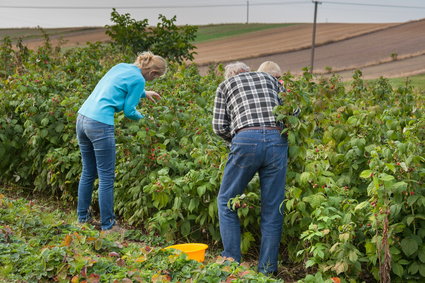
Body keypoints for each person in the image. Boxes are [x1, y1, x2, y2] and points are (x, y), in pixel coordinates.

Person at [76, 51, 167, 231]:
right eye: (155, 78)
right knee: (106, 176)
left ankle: (82, 218)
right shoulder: (139, 80)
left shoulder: (121, 67)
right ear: (153, 73)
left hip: (82, 118)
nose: (152, 81)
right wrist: (147, 119)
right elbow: (129, 111)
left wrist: (143, 93)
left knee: (88, 171)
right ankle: (108, 225)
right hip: (100, 123)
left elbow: (117, 86)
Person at [212, 61, 288, 275]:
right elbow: (293, 109)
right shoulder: (268, 78)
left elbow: (218, 126)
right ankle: (267, 270)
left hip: (245, 138)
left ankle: (232, 262)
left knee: (226, 200)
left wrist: (237, 139)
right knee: (273, 208)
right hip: (277, 140)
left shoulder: (225, 86)